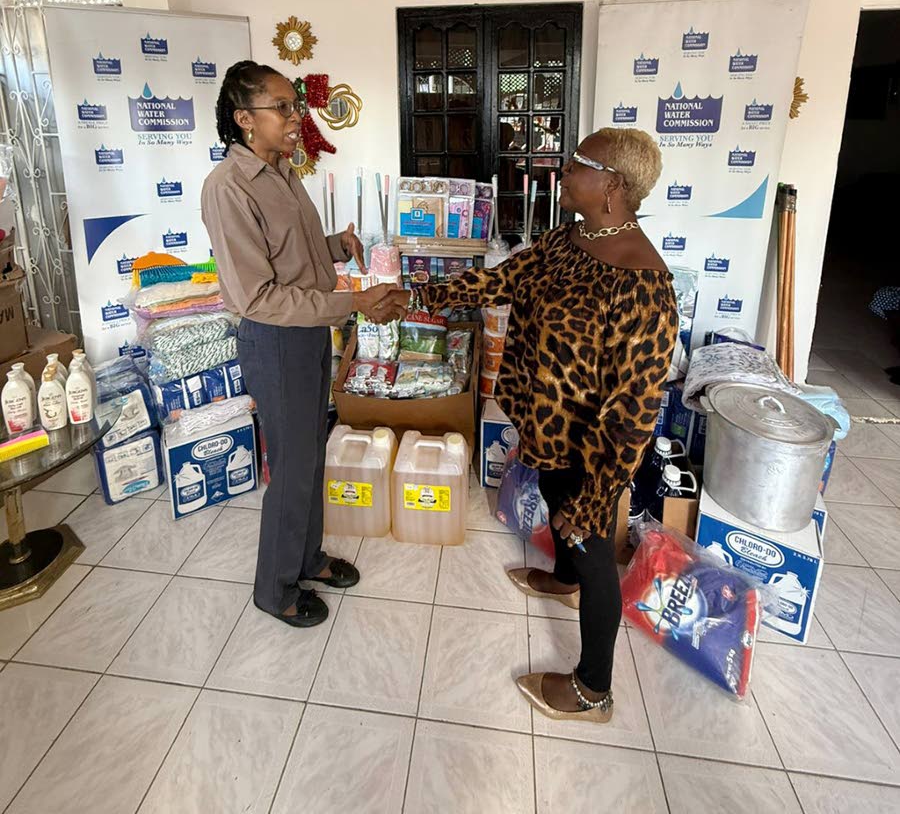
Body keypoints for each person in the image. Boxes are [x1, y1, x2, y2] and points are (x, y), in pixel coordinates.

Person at [404, 127, 679, 722]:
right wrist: (425, 294)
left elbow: (633, 413)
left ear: (611, 185)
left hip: (591, 454)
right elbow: (508, 277)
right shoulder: (575, 236)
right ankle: (562, 578)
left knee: (592, 546)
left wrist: (598, 494)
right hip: (549, 427)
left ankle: (592, 689)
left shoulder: (644, 285)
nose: (563, 172)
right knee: (556, 507)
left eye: (576, 163)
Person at [201, 61, 402, 629]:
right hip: (275, 340)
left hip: (310, 331)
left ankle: (308, 557)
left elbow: (294, 256)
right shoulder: (228, 188)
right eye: (282, 108)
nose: (296, 119)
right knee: (291, 467)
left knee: (312, 453)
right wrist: (354, 304)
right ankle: (276, 587)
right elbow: (259, 295)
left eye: (295, 106)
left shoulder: (284, 172)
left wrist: (336, 247)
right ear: (245, 119)